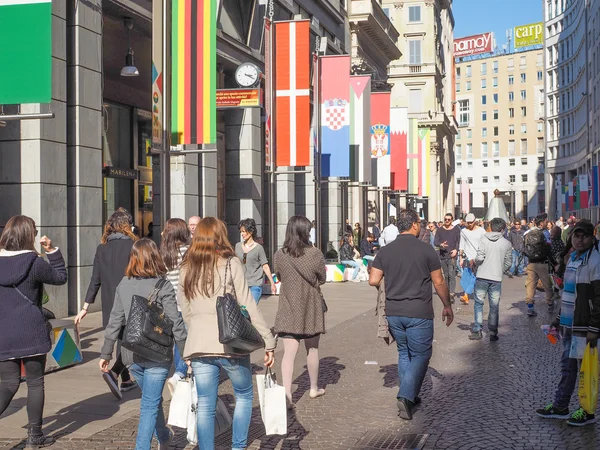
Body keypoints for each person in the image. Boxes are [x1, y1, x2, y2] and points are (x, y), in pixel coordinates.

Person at [179, 217, 276, 450]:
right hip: (230, 342)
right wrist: (268, 340)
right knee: (243, 395)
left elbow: (185, 310)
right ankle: (238, 447)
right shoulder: (230, 262)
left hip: (199, 344)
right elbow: (248, 305)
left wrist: (193, 335)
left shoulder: (187, 266)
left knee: (205, 403)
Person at [99, 239, 187, 450]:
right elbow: (177, 324)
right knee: (149, 402)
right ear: (155, 257)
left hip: (131, 355)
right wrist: (186, 355)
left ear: (134, 258)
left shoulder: (124, 283)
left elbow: (114, 321)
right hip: (157, 354)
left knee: (151, 398)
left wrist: (106, 353)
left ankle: (164, 437)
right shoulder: (163, 285)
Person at [369, 209, 453, 420]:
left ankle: (411, 396)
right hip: (419, 311)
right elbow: (439, 281)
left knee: (404, 352)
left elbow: (373, 279)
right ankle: (405, 395)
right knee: (422, 354)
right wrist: (447, 305)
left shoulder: (385, 251)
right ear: (414, 225)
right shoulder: (426, 250)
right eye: (420, 224)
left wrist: (393, 283)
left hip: (394, 312)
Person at [0, 215, 67, 448]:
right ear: (29, 235)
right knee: (35, 383)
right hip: (31, 330)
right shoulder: (34, 262)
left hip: (4, 332)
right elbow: (60, 277)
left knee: (8, 383)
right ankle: (35, 436)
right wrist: (53, 250)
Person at [536, 219, 600, 426]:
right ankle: (561, 406)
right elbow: (568, 295)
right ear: (571, 237)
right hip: (569, 324)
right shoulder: (572, 258)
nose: (580, 240)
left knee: (585, 370)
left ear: (592, 238)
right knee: (568, 367)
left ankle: (587, 411)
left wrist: (594, 328)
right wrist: (557, 319)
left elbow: (598, 298)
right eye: (576, 236)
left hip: (584, 326)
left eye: (584, 236)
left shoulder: (595, 261)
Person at [75, 211, 138, 398]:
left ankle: (125, 380)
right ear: (127, 226)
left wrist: (85, 306)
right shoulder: (134, 246)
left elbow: (95, 279)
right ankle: (117, 373)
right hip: (131, 300)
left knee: (121, 338)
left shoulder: (101, 249)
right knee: (129, 341)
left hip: (111, 302)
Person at [273, 216, 327, 408]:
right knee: (312, 348)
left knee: (288, 352)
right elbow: (322, 278)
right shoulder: (315, 254)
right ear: (305, 232)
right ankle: (313, 387)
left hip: (288, 306)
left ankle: (287, 394)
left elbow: (278, 275)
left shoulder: (279, 254)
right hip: (310, 305)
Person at [159, 218, 191, 392]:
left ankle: (173, 372)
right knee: (183, 339)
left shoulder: (163, 253)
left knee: (171, 342)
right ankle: (179, 374)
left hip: (167, 304)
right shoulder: (188, 252)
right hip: (184, 303)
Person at [469, 218, 513, 341]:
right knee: (494, 306)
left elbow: (479, 258)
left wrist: (476, 263)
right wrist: (500, 269)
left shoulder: (483, 239)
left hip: (482, 276)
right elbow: (509, 263)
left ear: (491, 227)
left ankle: (477, 330)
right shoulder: (506, 243)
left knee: (478, 304)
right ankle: (493, 332)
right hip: (496, 279)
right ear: (503, 229)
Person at [234, 218, 277, 302]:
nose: (242, 234)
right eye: (240, 232)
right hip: (240, 284)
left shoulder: (259, 248)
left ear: (250, 231)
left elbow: (265, 266)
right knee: (242, 311)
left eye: (244, 231)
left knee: (251, 309)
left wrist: (272, 283)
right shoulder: (238, 246)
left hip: (255, 285)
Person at [523, 213, 557, 317]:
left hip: (531, 263)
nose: (547, 222)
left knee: (530, 285)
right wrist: (554, 263)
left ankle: (530, 307)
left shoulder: (527, 232)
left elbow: (524, 248)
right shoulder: (545, 233)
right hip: (543, 263)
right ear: (542, 223)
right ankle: (550, 304)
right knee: (547, 285)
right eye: (546, 221)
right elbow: (548, 249)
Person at [458, 213, 486, 304]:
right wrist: (461, 258)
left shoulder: (481, 231)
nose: (469, 224)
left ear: (475, 221)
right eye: (468, 222)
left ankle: (466, 294)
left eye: (471, 222)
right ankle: (473, 292)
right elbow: (461, 245)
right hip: (467, 256)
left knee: (474, 276)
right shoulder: (463, 231)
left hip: (478, 257)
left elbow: (485, 243)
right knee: (466, 277)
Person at [434, 213, 461, 303]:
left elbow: (459, 241)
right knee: (446, 275)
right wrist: (441, 244)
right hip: (443, 255)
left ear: (452, 220)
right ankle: (447, 293)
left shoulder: (456, 230)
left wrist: (456, 250)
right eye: (445, 219)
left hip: (452, 256)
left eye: (449, 219)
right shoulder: (440, 230)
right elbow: (435, 241)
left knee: (452, 275)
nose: (447, 221)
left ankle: (451, 294)